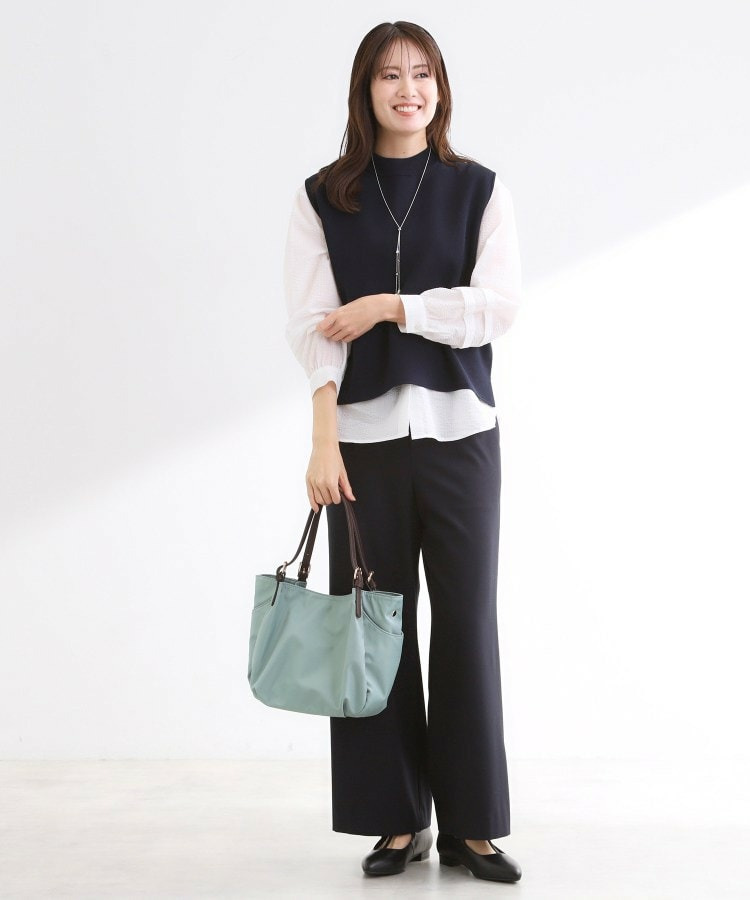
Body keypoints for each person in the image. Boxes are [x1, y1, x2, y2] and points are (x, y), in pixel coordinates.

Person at [283, 21, 523, 884]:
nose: (408, 89)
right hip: (361, 445)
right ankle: (396, 821)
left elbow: (496, 308)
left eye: (422, 73)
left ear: (441, 87)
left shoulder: (477, 188)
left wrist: (394, 307)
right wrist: (322, 441)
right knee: (374, 629)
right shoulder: (323, 197)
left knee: (466, 624)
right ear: (366, 90)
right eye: (390, 75)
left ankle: (472, 827)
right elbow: (312, 328)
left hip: (462, 436)